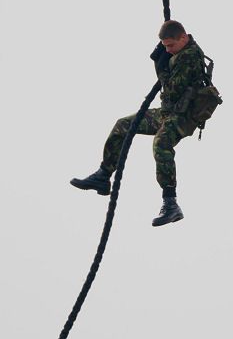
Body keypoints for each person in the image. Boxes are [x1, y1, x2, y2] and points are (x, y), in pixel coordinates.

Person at [70, 20, 207, 227]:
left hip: (183, 117)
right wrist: (163, 61)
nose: (168, 50)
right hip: (168, 112)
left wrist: (159, 68)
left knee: (161, 144)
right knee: (123, 125)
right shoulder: (178, 52)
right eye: (165, 46)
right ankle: (103, 175)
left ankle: (170, 203)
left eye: (171, 45)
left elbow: (171, 90)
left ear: (184, 38)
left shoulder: (190, 57)